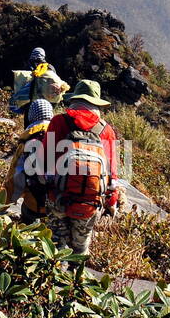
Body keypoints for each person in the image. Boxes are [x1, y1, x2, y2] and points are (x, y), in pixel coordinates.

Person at [47, 79, 120, 255]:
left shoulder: (59, 122)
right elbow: (113, 175)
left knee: (54, 246)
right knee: (80, 248)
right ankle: (76, 278)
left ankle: (50, 277)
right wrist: (111, 200)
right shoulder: (106, 130)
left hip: (58, 197)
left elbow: (45, 162)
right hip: (90, 202)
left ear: (74, 100)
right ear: (96, 104)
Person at [6, 98, 54, 225]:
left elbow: (15, 178)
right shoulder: (61, 136)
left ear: (31, 116)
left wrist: (0, 208)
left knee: (27, 217)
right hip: (59, 204)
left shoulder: (27, 141)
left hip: (33, 205)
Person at [9, 46, 70, 126]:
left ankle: (29, 138)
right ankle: (49, 138)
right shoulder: (50, 67)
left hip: (32, 104)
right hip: (48, 105)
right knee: (48, 127)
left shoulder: (30, 67)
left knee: (30, 127)